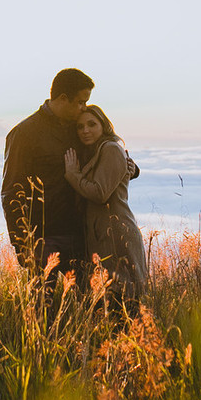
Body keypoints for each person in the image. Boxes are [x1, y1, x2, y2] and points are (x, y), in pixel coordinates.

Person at [1, 68, 95, 275]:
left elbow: (104, 153)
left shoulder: (79, 128)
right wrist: (22, 244)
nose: (84, 108)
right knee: (43, 305)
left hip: (80, 234)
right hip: (42, 238)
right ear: (63, 98)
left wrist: (129, 169)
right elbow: (11, 192)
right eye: (80, 102)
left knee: (87, 304)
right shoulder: (25, 133)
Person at [63, 104, 148, 302]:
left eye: (91, 124)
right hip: (103, 235)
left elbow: (100, 193)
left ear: (104, 125)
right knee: (110, 300)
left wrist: (72, 175)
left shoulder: (110, 148)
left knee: (123, 299)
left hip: (117, 235)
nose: (85, 130)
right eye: (80, 126)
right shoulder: (94, 152)